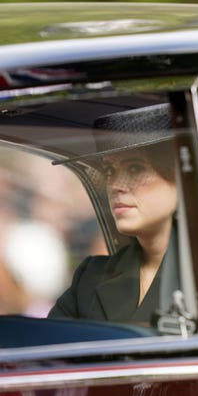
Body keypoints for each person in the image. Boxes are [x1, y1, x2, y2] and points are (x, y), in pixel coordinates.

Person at [48, 103, 179, 324]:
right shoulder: (91, 276)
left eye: (136, 168)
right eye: (110, 171)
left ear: (180, 178)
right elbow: (49, 348)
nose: (115, 185)